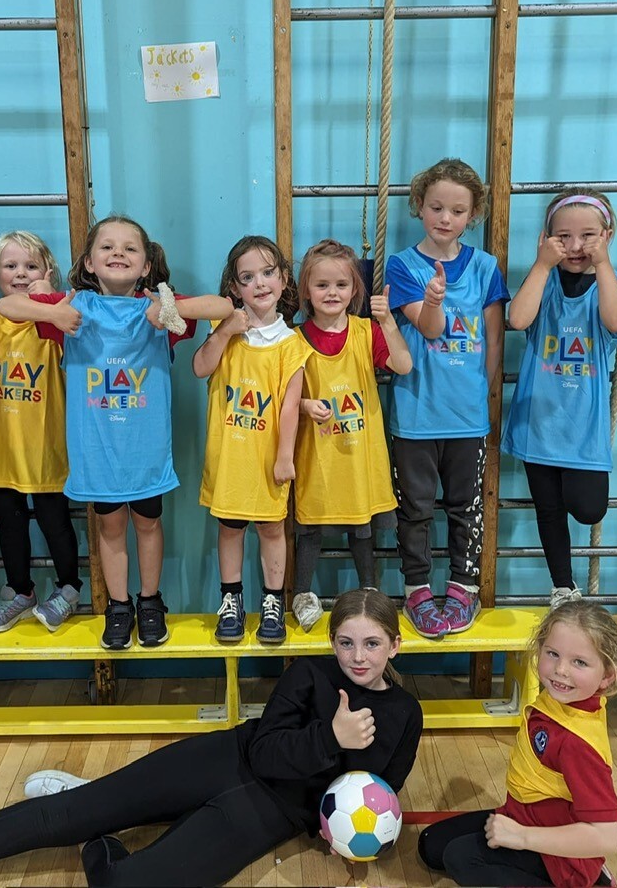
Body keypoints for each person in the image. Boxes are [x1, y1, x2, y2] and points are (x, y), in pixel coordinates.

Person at [0, 588, 423, 888]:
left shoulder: (405, 713)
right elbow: (265, 750)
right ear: (332, 641)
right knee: (65, 813)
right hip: (227, 758)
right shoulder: (310, 674)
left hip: (271, 810)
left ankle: (106, 829)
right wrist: (331, 737)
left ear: (395, 645)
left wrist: (341, 829)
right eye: (346, 642)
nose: (358, 656)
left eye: (372, 644)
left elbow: (382, 790)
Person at [0, 216, 232, 650]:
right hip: (97, 450)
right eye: (107, 247)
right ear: (89, 262)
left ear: (145, 265)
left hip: (145, 450)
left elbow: (223, 307)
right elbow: (5, 307)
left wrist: (173, 309)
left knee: (147, 523)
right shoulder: (72, 307)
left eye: (130, 248)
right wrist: (52, 312)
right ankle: (118, 606)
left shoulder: (158, 307)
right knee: (109, 527)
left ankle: (150, 602)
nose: (118, 253)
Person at [417, 599, 617, 887]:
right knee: (431, 846)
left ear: (607, 676)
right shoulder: (563, 699)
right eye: (553, 654)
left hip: (559, 861)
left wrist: (521, 837)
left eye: (579, 662)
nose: (561, 670)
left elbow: (606, 838)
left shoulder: (577, 744)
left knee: (461, 857)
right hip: (524, 818)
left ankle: (592, 881)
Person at [385, 158, 510, 638]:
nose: (445, 218)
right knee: (414, 509)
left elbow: (494, 341)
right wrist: (434, 298)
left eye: (457, 211)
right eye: (436, 206)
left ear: (471, 215)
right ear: (419, 206)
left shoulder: (485, 267)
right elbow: (429, 326)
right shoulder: (402, 264)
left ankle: (463, 586)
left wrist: (479, 394)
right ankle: (417, 586)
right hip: (415, 416)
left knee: (465, 507)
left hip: (467, 418)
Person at [502, 190, 617, 609]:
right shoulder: (542, 278)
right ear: (547, 238)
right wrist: (543, 264)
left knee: (588, 508)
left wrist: (604, 263)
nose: (576, 247)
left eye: (588, 236)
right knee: (549, 509)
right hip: (538, 422)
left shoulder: (614, 284)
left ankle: (566, 581)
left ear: (607, 235)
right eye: (564, 237)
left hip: (583, 424)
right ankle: (563, 585)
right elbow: (517, 318)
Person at [0, 231, 81, 633]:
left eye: (31, 266)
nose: (21, 273)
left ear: (47, 270)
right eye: (11, 266)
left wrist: (47, 300)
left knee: (55, 522)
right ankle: (20, 591)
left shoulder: (59, 315)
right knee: (9, 525)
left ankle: (69, 588)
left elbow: (72, 348)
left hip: (44, 446)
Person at [290, 239, 412, 632]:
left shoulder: (366, 331)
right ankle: (302, 594)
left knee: (363, 529)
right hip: (315, 458)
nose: (332, 293)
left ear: (355, 290)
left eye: (341, 285)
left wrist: (389, 322)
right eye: (322, 285)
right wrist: (306, 407)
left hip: (360, 456)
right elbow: (282, 397)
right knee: (308, 528)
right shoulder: (295, 338)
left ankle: (369, 592)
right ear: (306, 290)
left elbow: (404, 366)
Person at [193, 235, 310, 645]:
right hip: (229, 457)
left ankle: (273, 602)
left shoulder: (293, 344)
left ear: (282, 280)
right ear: (235, 288)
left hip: (266, 460)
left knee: (272, 530)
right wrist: (226, 330)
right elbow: (200, 367)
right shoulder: (224, 328)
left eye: (267, 272)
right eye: (247, 277)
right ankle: (231, 601)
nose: (259, 283)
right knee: (229, 529)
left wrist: (284, 457)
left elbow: (290, 407)